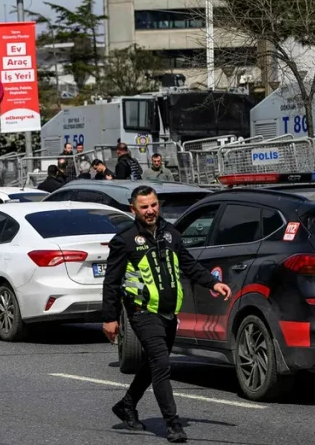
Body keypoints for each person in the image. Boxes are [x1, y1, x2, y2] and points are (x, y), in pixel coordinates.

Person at [102, 186, 231, 443]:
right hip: (142, 311)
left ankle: (127, 404)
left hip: (169, 312)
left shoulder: (171, 233)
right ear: (133, 210)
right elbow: (112, 282)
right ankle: (172, 424)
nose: (150, 211)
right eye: (144, 207)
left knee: (153, 364)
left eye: (153, 205)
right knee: (161, 365)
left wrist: (212, 283)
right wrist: (110, 317)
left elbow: (188, 264)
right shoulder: (125, 240)